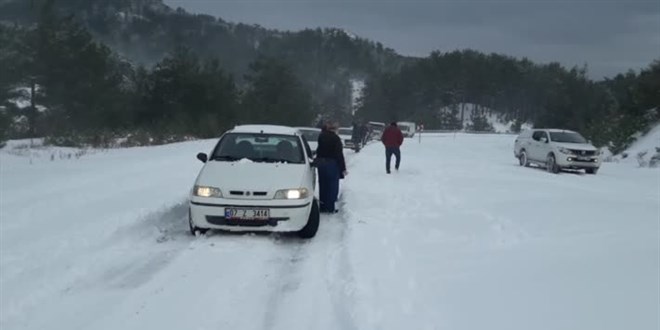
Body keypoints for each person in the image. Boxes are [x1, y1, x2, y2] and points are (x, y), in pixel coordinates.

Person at [315, 121, 347, 213]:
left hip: (321, 163)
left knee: (323, 184)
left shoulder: (321, 136)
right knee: (332, 185)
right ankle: (330, 207)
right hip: (331, 163)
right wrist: (343, 168)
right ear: (335, 129)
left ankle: (323, 205)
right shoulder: (336, 139)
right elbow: (339, 154)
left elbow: (319, 150)